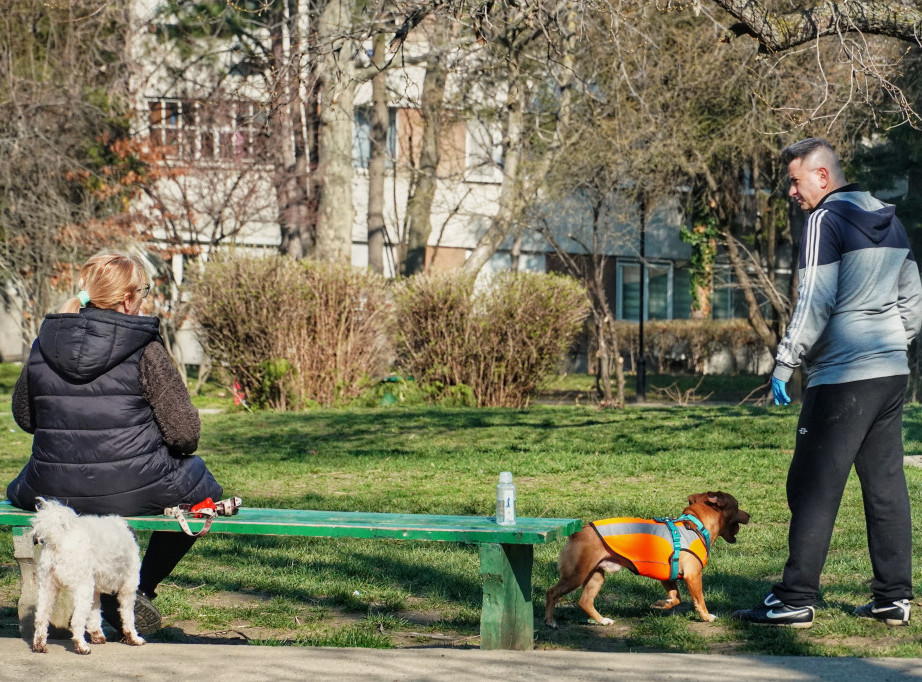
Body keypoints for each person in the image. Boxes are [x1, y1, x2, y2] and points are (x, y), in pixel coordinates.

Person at [732, 138, 922, 629]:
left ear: (822, 176)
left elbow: (814, 300)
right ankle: (893, 598)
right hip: (890, 372)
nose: (791, 192)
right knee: (885, 486)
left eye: (795, 181)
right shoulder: (890, 218)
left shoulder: (824, 220)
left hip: (843, 377)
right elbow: (912, 298)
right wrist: (891, 342)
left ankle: (795, 598)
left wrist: (784, 361)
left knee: (812, 486)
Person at [6, 251, 224, 635]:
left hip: (51, 487)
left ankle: (87, 592)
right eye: (142, 291)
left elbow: (25, 418)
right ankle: (139, 588)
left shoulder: (45, 343)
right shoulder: (145, 348)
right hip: (134, 487)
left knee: (18, 488)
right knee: (207, 492)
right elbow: (184, 434)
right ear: (127, 300)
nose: (144, 299)